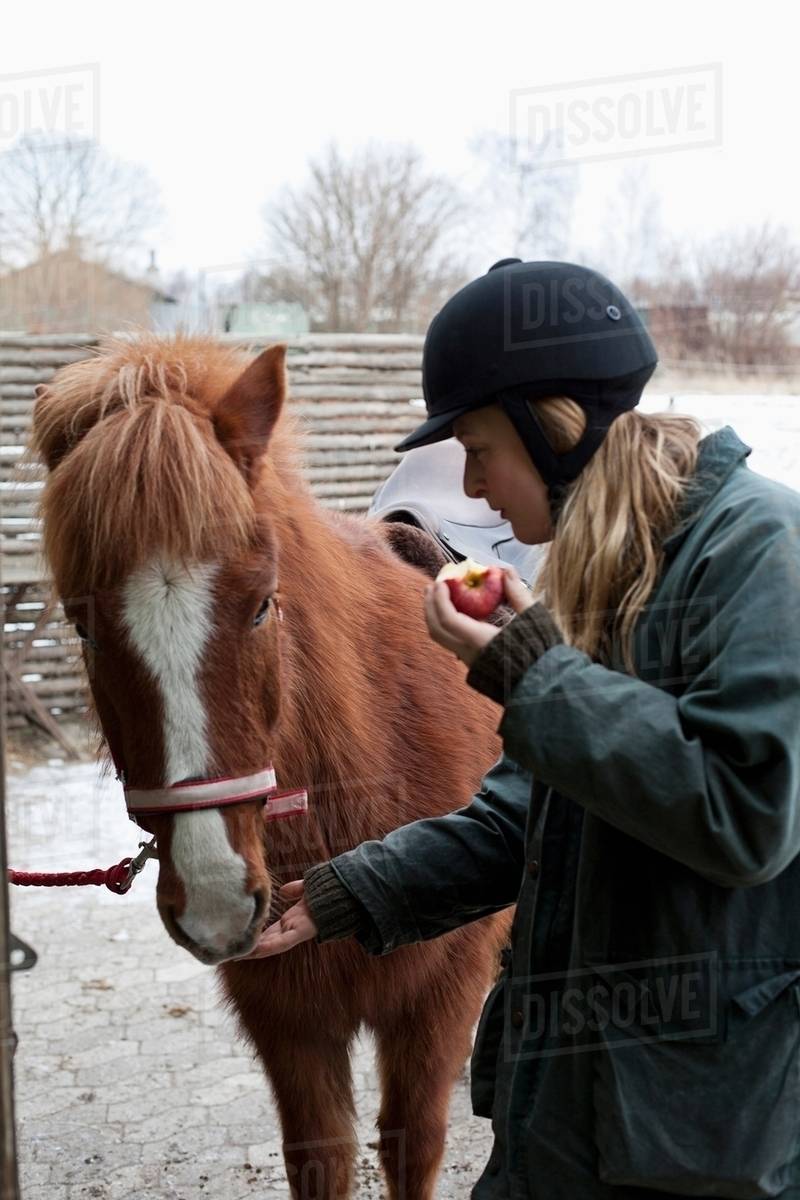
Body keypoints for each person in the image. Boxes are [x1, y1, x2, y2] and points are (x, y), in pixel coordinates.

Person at [238, 259, 800, 1199]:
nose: (470, 483)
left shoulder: (759, 552)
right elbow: (522, 816)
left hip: (705, 1139)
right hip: (565, 1122)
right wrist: (340, 895)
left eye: (478, 446)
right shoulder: (606, 572)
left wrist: (528, 669)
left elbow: (744, 811)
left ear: (556, 423)